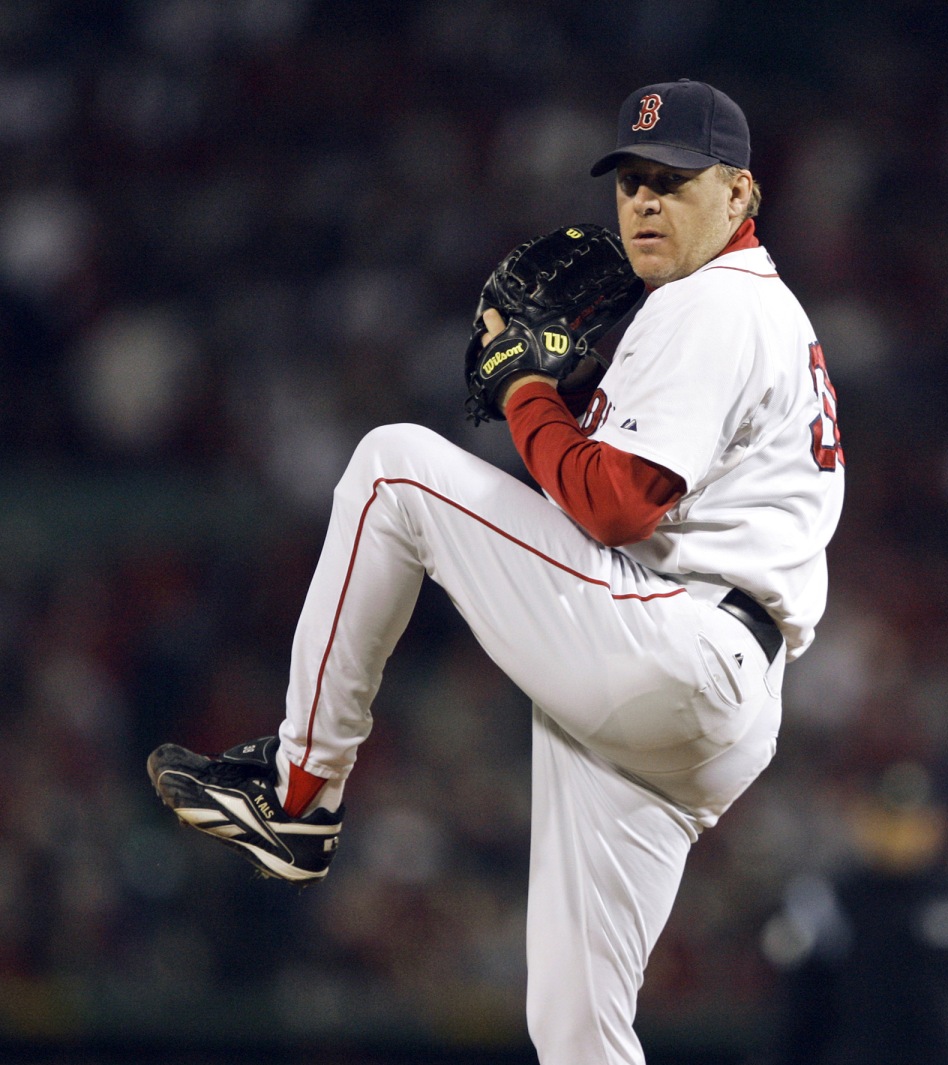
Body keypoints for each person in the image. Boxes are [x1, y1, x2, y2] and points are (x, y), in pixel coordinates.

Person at [147, 78, 845, 1065]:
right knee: (573, 1032)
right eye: (632, 182)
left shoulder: (715, 304)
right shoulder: (739, 313)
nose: (645, 202)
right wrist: (564, 389)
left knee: (393, 466)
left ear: (740, 197)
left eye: (676, 183)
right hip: (699, 684)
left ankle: (297, 794)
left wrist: (524, 387)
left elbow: (613, 501)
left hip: (676, 644)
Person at [760, 764, 948, 1065]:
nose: (901, 831)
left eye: (912, 817)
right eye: (889, 817)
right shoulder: (828, 902)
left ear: (937, 822)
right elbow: (800, 1019)